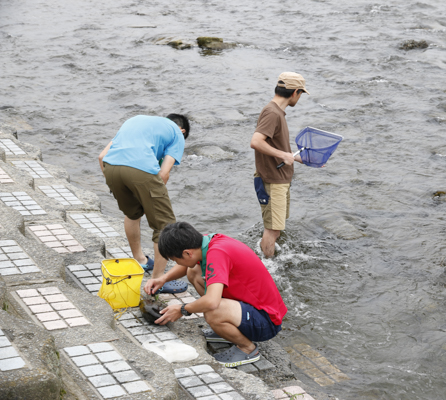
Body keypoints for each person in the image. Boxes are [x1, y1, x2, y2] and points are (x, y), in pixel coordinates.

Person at [144, 221, 287, 368]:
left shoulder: (217, 254)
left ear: (187, 252)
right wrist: (163, 279)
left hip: (267, 322)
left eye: (175, 259)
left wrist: (182, 309)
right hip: (253, 308)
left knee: (212, 311)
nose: (177, 263)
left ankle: (247, 348)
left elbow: (212, 302)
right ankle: (226, 329)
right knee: (193, 271)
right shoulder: (207, 243)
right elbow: (187, 265)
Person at [98, 114, 190, 293]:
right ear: (182, 130)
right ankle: (157, 281)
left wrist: (115, 180)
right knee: (166, 226)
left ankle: (140, 261)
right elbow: (164, 173)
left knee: (132, 214)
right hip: (141, 171)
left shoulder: (136, 121)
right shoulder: (177, 134)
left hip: (111, 169)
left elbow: (102, 156)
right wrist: (154, 195)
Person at [250, 72, 309, 257]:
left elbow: (277, 147)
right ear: (295, 92)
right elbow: (256, 141)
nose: (299, 98)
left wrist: (303, 159)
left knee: (277, 226)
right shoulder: (272, 112)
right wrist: (283, 155)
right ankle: (267, 268)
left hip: (279, 180)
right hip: (272, 181)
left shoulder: (276, 112)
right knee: (273, 230)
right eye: (301, 94)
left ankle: (268, 259)